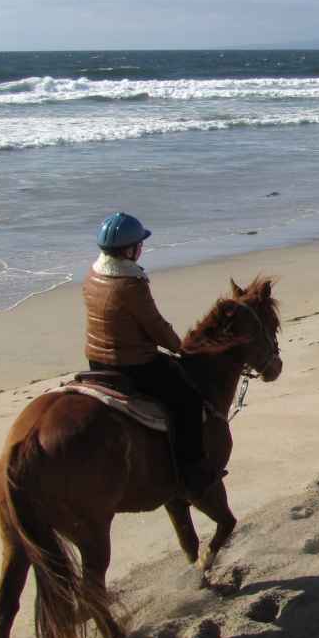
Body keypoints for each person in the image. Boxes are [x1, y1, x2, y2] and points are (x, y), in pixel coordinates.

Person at [82, 212, 211, 496]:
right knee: (187, 401)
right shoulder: (131, 284)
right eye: (139, 244)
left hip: (95, 360)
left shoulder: (93, 274)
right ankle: (192, 473)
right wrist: (182, 348)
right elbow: (155, 327)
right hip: (131, 365)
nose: (141, 249)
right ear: (129, 250)